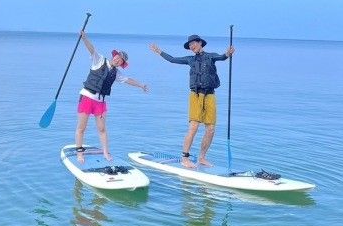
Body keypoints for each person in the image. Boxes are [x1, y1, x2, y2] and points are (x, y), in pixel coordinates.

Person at [149, 34, 235, 168]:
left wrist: (228, 53)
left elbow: (222, 57)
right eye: (189, 46)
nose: (191, 47)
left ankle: (201, 157)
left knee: (211, 129)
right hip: (196, 95)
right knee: (194, 126)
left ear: (200, 43)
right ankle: (185, 158)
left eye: (193, 44)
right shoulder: (190, 59)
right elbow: (172, 59)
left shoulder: (211, 56)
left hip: (210, 95)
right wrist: (159, 51)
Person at [75, 31, 149, 163]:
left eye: (121, 60)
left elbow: (128, 80)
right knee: (82, 128)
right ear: (114, 56)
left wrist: (141, 85)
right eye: (117, 57)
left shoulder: (117, 73)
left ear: (121, 63)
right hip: (87, 97)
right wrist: (84, 38)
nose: (118, 60)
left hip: (100, 102)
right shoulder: (99, 60)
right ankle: (79, 153)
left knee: (102, 129)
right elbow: (92, 49)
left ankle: (105, 152)